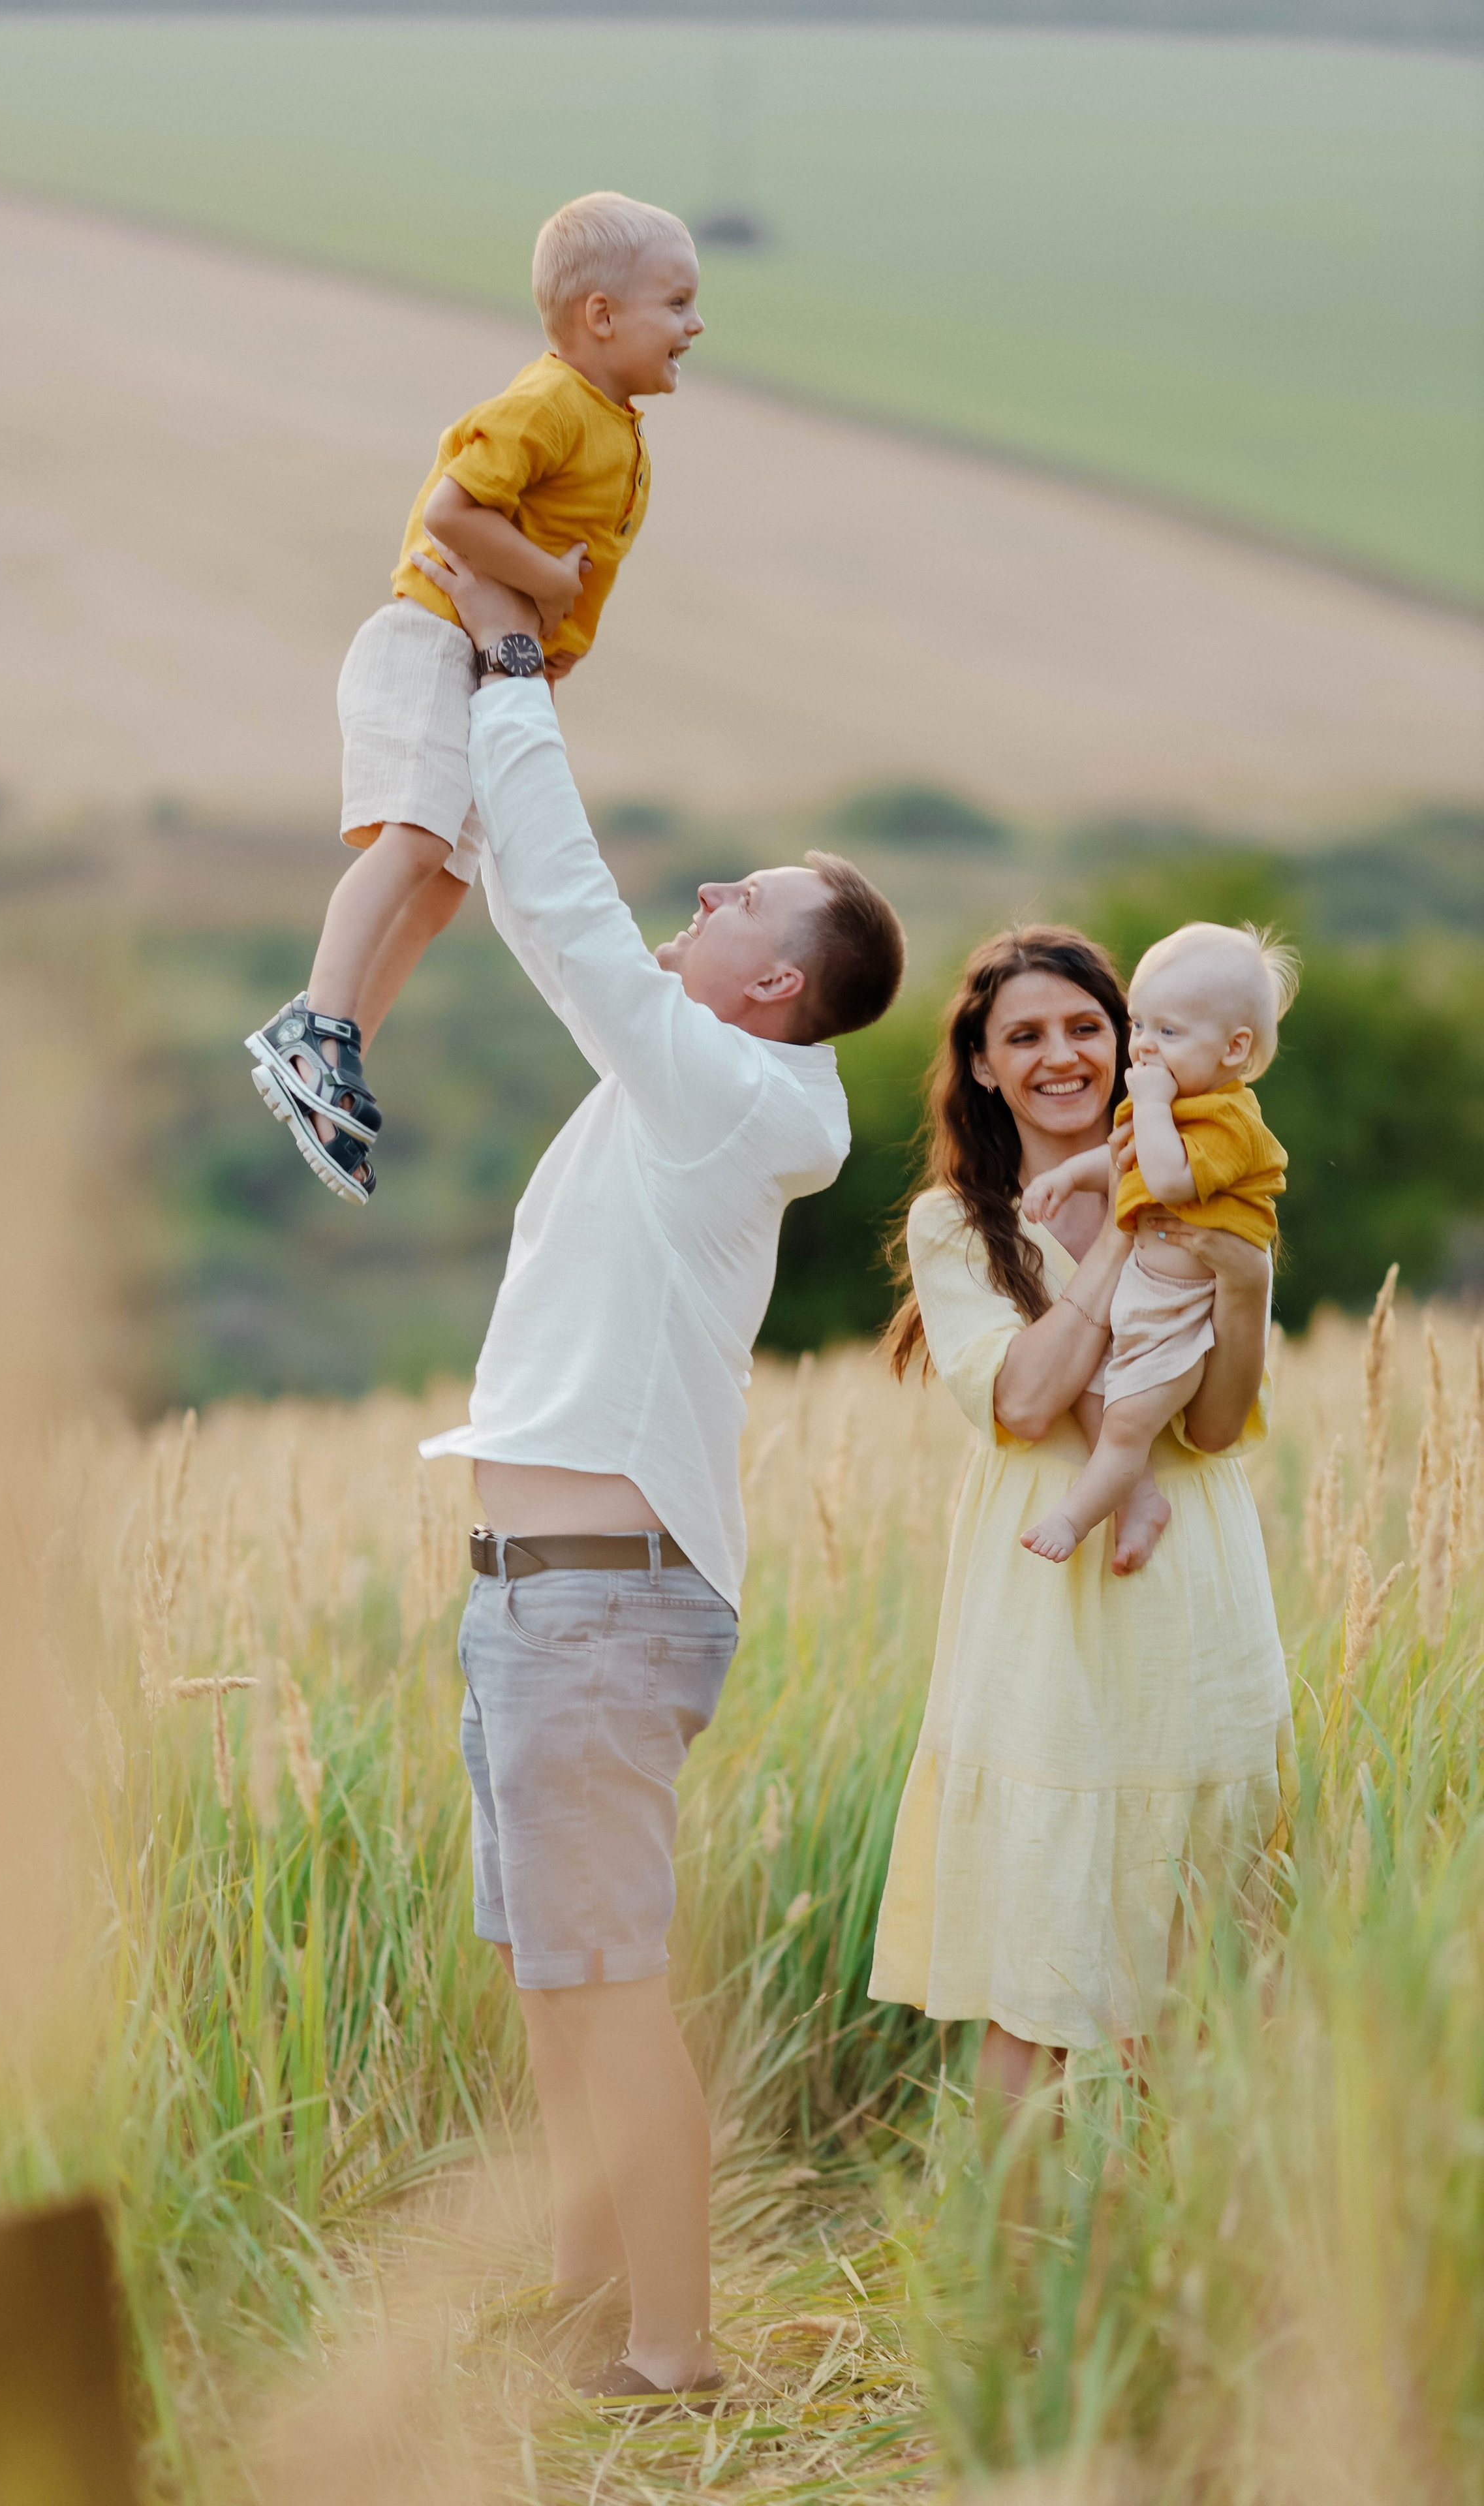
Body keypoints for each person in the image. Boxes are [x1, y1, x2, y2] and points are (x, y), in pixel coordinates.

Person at [407, 539, 905, 2406]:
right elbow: (548, 922)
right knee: (556, 1975)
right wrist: (483, 711)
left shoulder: (732, 1096)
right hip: (540, 1606)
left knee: (609, 1985)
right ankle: (584, 2298)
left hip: (598, 1612)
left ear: (772, 983)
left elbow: (568, 902)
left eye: (743, 896)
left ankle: (674, 2349)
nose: (705, 894)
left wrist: (513, 670)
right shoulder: (686, 1082)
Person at [868, 927, 1292, 2096]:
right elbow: (1023, 1398)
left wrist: (1247, 1284)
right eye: (1024, 1036)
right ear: (984, 1064)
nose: (1060, 1056)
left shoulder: (1210, 1171)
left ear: (1130, 1041)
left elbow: (1214, 1426)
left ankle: (1174, 2216)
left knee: (1194, 1978)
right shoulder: (958, 1225)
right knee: (1032, 1971)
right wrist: (1123, 1235)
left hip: (1188, 1579)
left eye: (1085, 1028)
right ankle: (1012, 2222)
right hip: (1045, 1590)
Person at [246, 192, 704, 1205]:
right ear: (600, 316)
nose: (696, 324)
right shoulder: (550, 404)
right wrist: (548, 582)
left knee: (446, 887)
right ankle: (318, 1024)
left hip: (479, 666)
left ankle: (336, 1058)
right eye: (677, 304)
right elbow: (453, 512)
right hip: (427, 642)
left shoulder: (610, 423)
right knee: (411, 842)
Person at [1019, 920, 1297, 1565]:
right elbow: (1124, 1162)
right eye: (1138, 1024)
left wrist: (1146, 1105)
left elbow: (1168, 1181)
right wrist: (1068, 1175)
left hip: (1182, 1308)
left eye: (1168, 1032)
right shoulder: (1167, 1108)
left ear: (1233, 1048)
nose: (1144, 1047)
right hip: (1144, 1294)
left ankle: (1078, 1517)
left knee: (1124, 1422)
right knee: (1091, 1389)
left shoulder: (1227, 1121)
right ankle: (1139, 1494)